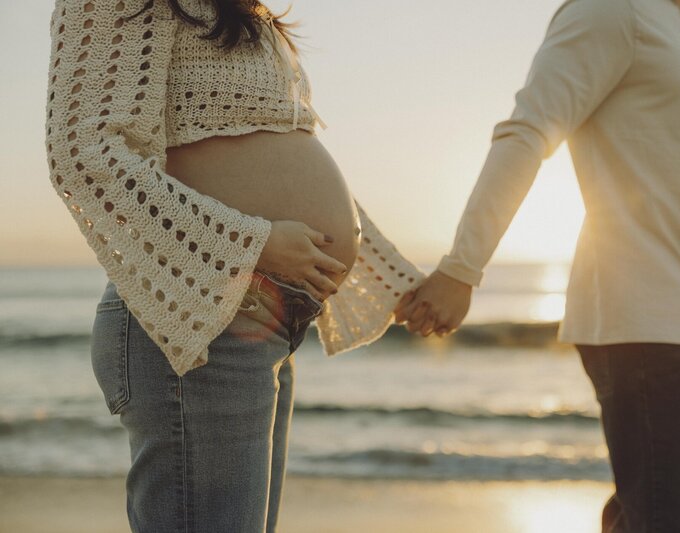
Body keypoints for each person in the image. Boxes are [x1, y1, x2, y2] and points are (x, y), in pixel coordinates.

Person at [44, 1, 423, 531]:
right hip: (196, 318)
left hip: (264, 324)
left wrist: (393, 279)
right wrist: (255, 242)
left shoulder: (247, 11)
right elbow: (85, 153)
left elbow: (273, 151)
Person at [395, 0, 680, 531]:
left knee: (644, 513)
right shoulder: (611, 10)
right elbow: (528, 130)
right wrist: (462, 266)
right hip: (641, 316)